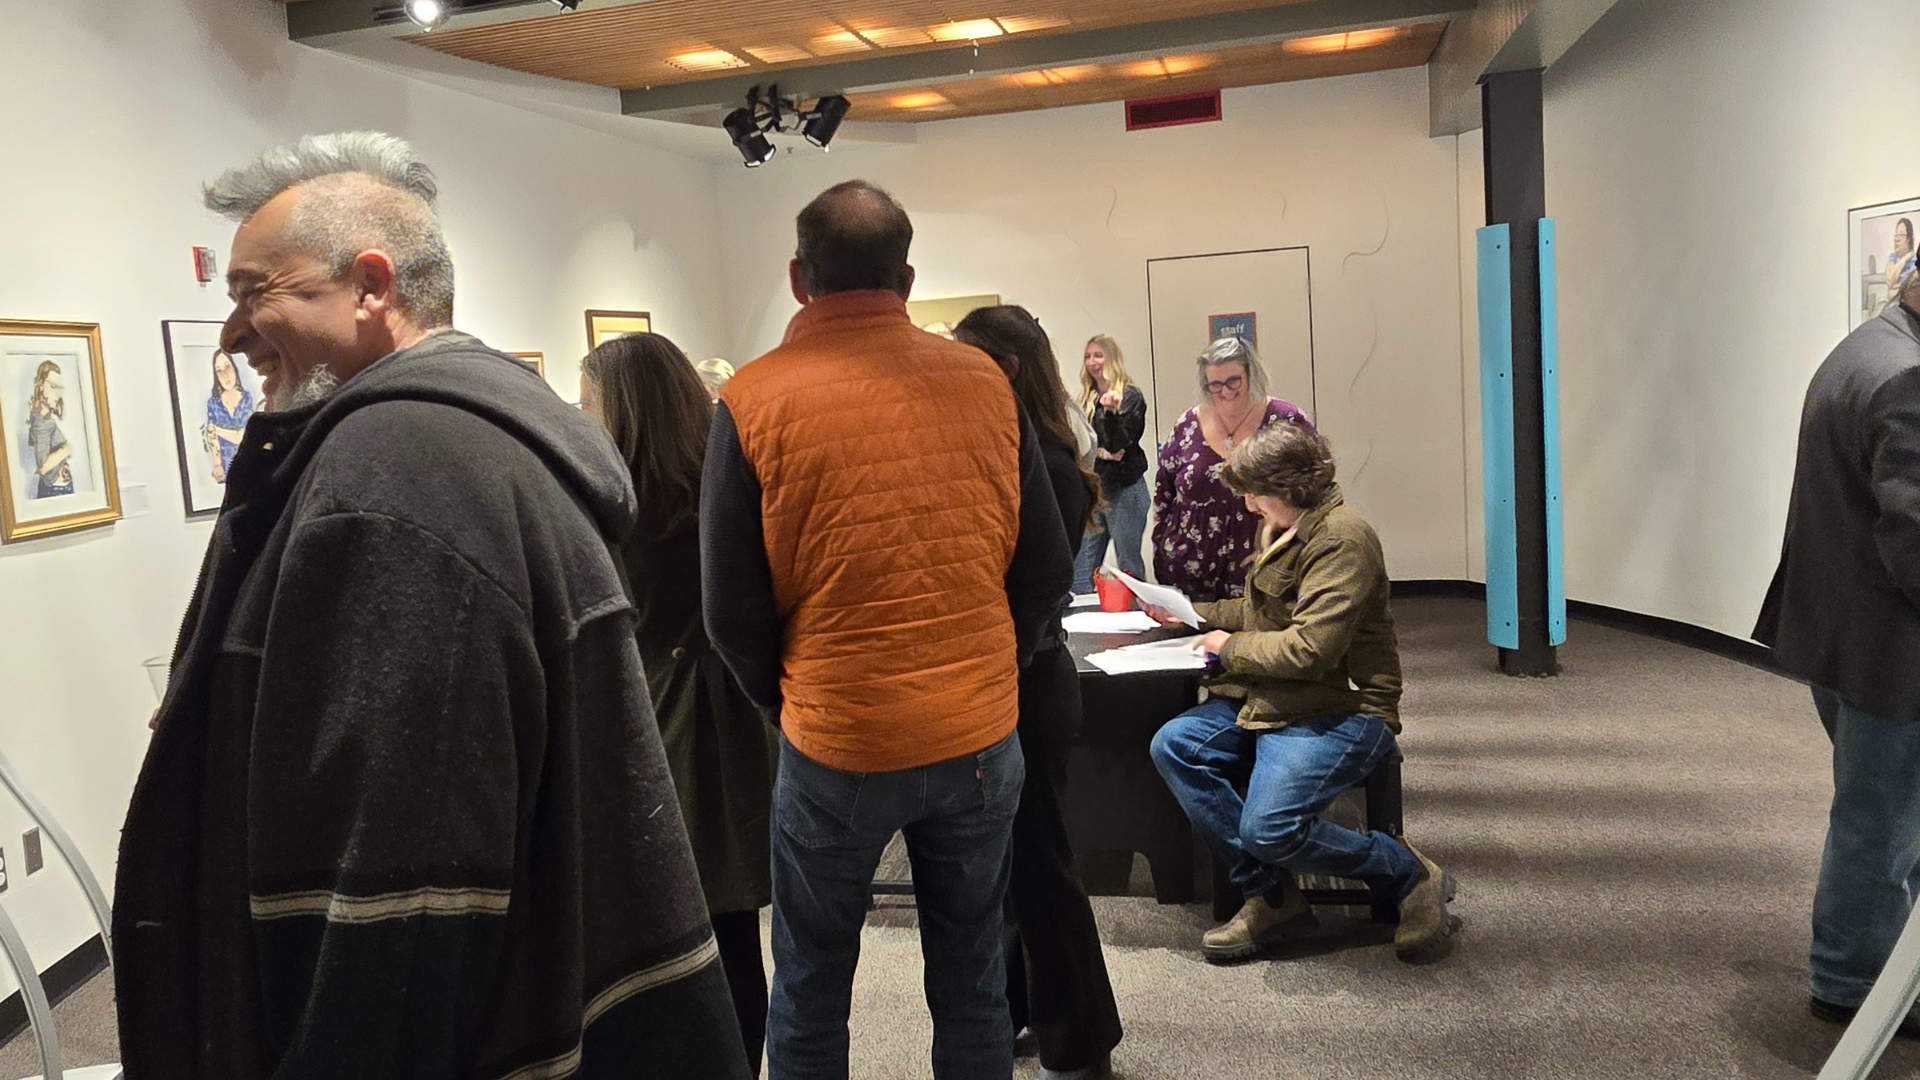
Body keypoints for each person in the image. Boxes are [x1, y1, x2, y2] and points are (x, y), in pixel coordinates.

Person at [114, 132, 751, 1080]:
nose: (234, 335)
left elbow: (401, 891)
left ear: (372, 287)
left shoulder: (395, 477)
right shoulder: (462, 444)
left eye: (257, 293)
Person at [702, 179, 1073, 1080]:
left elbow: (731, 610)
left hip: (837, 736)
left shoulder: (751, 402)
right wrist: (994, 664)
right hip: (980, 734)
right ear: (906, 279)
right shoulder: (985, 383)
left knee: (812, 982)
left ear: (798, 278)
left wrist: (789, 695)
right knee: (974, 973)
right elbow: (1046, 570)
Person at [1146, 421, 1458, 965]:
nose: (1246, 505)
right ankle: (1272, 894)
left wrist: (1230, 646)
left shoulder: (1342, 539)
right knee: (1175, 746)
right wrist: (1189, 614)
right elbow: (1261, 613)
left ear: (1287, 488)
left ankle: (1409, 872)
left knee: (1269, 829)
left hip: (1342, 709)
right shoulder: (1298, 527)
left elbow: (1310, 649)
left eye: (1253, 492)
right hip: (1280, 698)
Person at [581, 332, 782, 1072]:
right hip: (733, 718)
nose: (583, 417)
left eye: (590, 402)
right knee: (730, 935)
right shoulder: (722, 484)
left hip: (662, 724)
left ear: (626, 409)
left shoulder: (617, 511)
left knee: (672, 934)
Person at [953, 306, 1123, 1080]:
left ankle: (1084, 1036)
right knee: (1017, 869)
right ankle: (1034, 1014)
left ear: (1007, 369)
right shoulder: (1022, 450)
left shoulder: (1043, 464)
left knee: (1041, 866)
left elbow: (1029, 589)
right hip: (1020, 678)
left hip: (1027, 682)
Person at [1755, 266, 1920, 1037]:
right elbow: (1914, 542)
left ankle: (1882, 968)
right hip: (1892, 651)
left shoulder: (1864, 347)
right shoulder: (1905, 374)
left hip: (1842, 634)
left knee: (1888, 813)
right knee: (1880, 821)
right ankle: (1851, 984)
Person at [1151, 336, 1310, 602]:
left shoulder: (1285, 420)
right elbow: (1163, 493)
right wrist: (1162, 545)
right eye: (1215, 385)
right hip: (1189, 575)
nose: (1225, 391)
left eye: (1233, 380)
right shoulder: (1188, 424)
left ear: (1251, 374)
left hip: (1266, 572)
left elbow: (1313, 487)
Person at [1073, 334, 1149, 594]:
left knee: (1128, 565)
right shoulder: (1086, 398)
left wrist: (1111, 414)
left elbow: (1117, 446)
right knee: (1082, 571)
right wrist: (1101, 453)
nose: (1092, 362)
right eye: (1088, 356)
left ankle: (1142, 622)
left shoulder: (1129, 396)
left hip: (1125, 490)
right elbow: (1083, 447)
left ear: (1112, 359)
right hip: (1095, 491)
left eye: (1098, 355)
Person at [25, 360, 74, 498]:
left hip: (56, 489)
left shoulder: (40, 418)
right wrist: (65, 451)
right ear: (40, 385)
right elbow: (43, 467)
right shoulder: (43, 423)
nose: (58, 394)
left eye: (59, 388)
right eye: (53, 386)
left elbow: (31, 445)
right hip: (55, 491)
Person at [205, 348, 254, 483]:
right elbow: (212, 439)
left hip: (246, 464)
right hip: (225, 467)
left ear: (235, 369)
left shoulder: (246, 399)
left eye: (227, 367)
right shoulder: (213, 403)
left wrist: (217, 430)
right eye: (219, 371)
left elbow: (241, 436)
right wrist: (217, 464)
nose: (225, 374)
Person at [1882, 218, 1916, 319]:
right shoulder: (1893, 259)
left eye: (1901, 234)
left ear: (1909, 238)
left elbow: (1904, 289)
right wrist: (1904, 259)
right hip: (1889, 306)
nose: (1897, 239)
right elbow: (1891, 280)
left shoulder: (1915, 261)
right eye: (1896, 235)